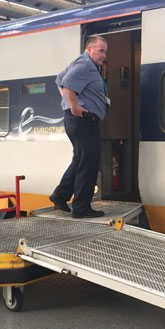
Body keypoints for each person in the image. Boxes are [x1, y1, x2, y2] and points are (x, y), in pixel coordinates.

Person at [49, 35, 108, 218]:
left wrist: (69, 103)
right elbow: (66, 85)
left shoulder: (81, 62)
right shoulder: (85, 65)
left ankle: (60, 195)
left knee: (81, 159)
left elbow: (59, 79)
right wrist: (73, 105)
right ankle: (81, 208)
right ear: (89, 49)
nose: (104, 55)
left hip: (80, 122)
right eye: (101, 50)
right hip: (82, 121)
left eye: (105, 51)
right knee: (89, 163)